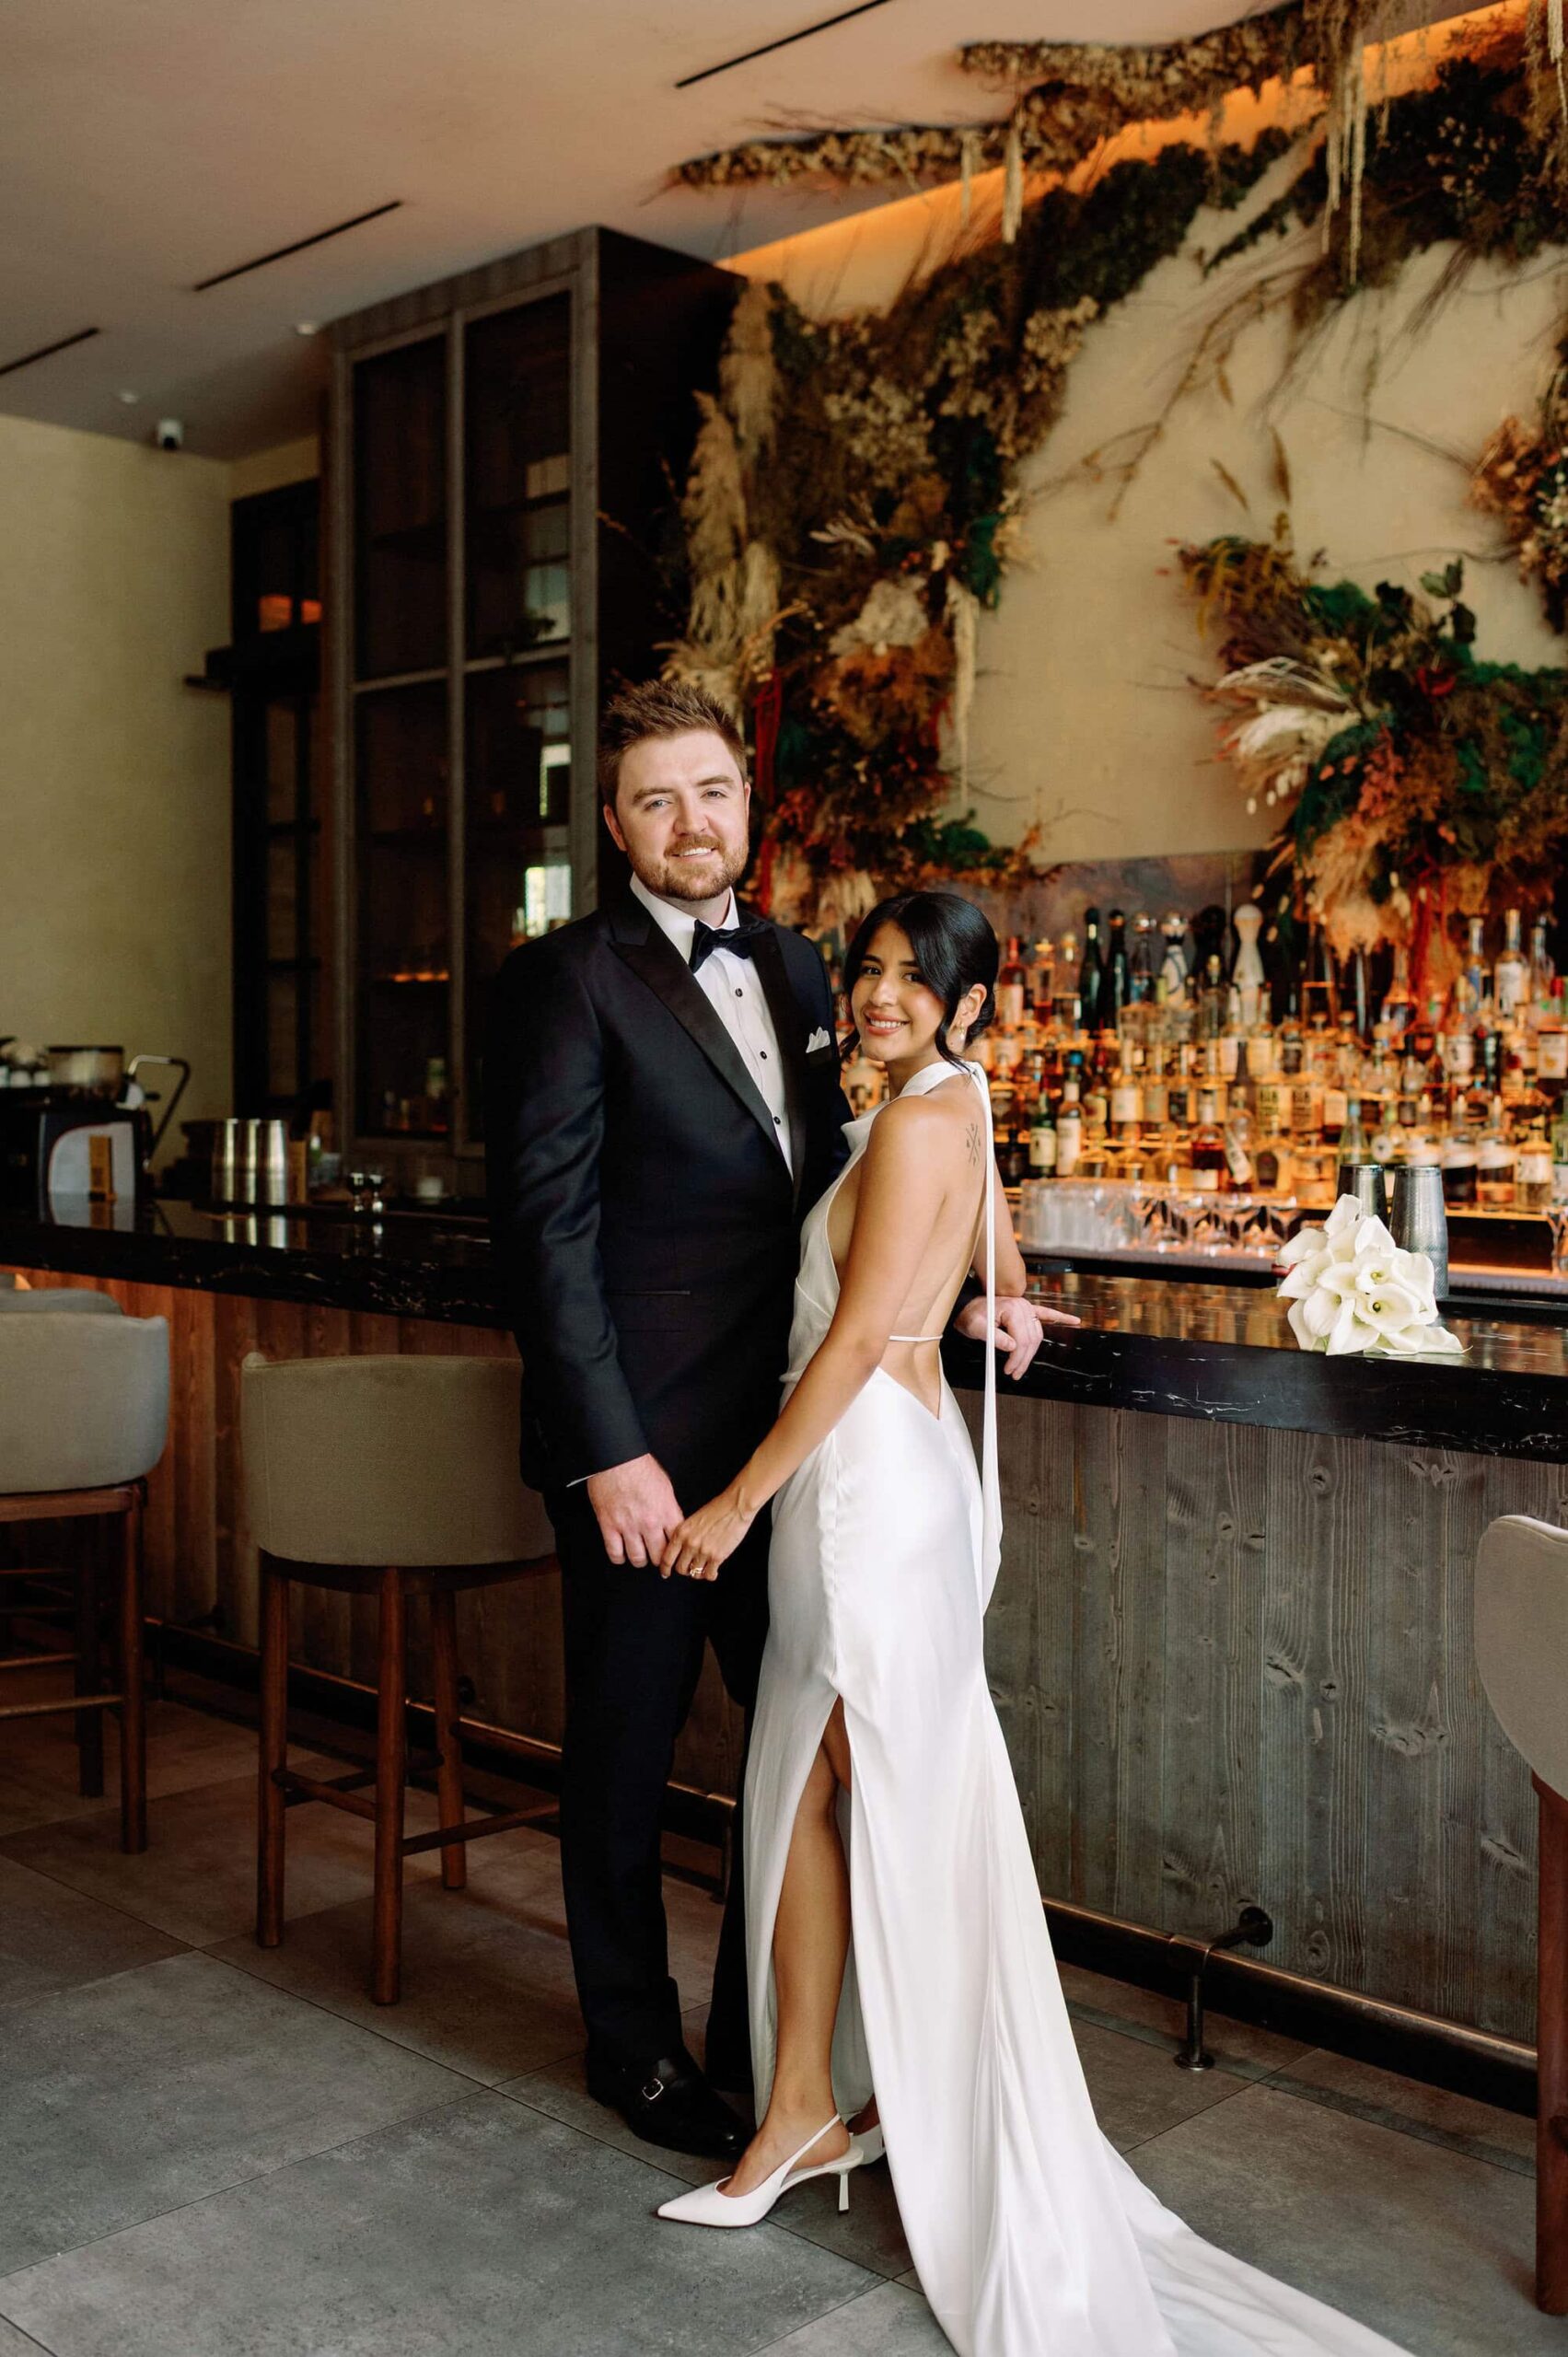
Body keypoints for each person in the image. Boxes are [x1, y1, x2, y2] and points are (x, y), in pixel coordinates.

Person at [653, 894, 1410, 2357]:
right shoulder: (953, 1105)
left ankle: (853, 2110)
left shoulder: (927, 1121)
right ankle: (815, 2104)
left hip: (861, 1484)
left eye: (908, 980)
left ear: (969, 1003)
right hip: (885, 1476)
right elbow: (989, 1270)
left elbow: (867, 1339)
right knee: (823, 1789)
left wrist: (741, 1497)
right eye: (866, 973)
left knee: (845, 1789)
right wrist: (1003, 1306)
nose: (876, 998)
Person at [484, 685, 1048, 2164]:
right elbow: (547, 1239)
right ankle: (634, 2046)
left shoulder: (804, 967)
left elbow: (894, 1149)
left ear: (750, 804)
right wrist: (610, 1454)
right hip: (653, 1462)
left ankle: (770, 2057)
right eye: (657, 799)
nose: (691, 822)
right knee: (623, 1754)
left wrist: (970, 1293)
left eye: (714, 792)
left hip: (805, 1452)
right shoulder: (568, 978)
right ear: (614, 825)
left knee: (794, 1756)